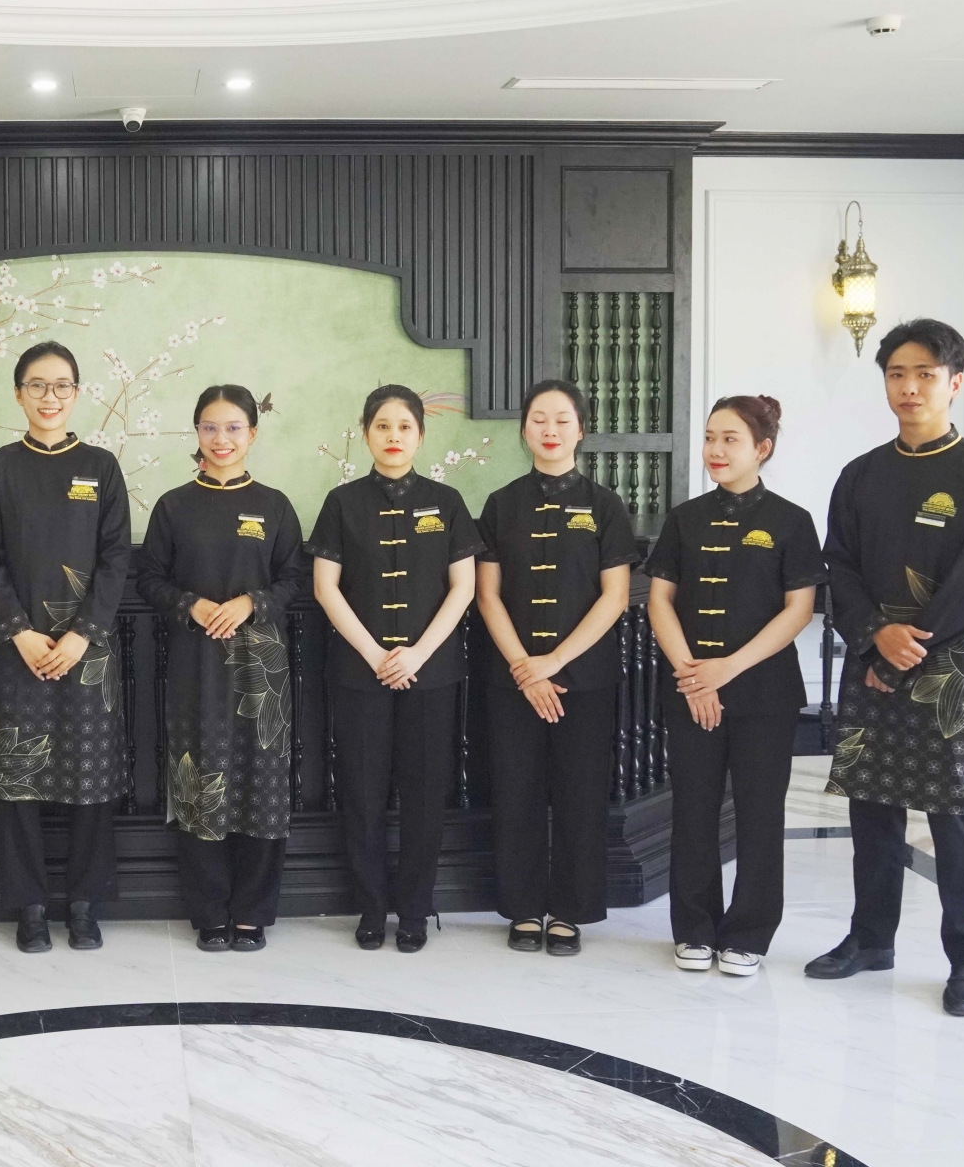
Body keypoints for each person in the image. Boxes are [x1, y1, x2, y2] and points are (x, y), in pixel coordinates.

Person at [807, 319, 964, 1017]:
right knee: (872, 807)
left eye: (926, 373)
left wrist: (906, 650)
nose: (910, 387)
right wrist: (875, 638)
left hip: (948, 666)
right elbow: (837, 566)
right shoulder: (861, 474)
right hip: (873, 654)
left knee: (955, 815)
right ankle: (871, 939)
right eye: (897, 373)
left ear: (955, 383)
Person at [646, 396, 822, 976]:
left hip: (766, 695)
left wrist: (726, 669)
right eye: (709, 438)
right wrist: (693, 675)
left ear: (762, 449)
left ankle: (749, 933)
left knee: (760, 814)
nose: (715, 450)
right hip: (690, 689)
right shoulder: (685, 518)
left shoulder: (792, 521)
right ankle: (693, 928)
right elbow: (660, 601)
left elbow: (798, 610)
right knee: (693, 810)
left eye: (730, 440)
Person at [309, 385, 481, 952]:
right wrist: (376, 654)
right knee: (361, 792)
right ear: (366, 434)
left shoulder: (447, 501)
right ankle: (369, 908)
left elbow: (463, 588)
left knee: (425, 793)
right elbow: (326, 588)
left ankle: (414, 909)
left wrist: (416, 654)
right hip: (359, 671)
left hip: (431, 672)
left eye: (405, 427)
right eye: (382, 426)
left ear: (420, 436)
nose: (393, 436)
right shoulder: (341, 503)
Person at [137, 385, 309, 952]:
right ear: (197, 433)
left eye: (234, 427)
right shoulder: (174, 505)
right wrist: (190, 604)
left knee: (263, 783)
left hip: (262, 668)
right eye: (210, 427)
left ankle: (252, 913)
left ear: (252, 434)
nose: (222, 439)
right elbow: (150, 579)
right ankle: (209, 913)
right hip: (196, 665)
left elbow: (294, 579)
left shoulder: (275, 506)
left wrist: (251, 603)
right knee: (200, 779)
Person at [0, 341, 130, 953]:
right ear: (18, 394)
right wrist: (20, 631)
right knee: (18, 779)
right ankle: (30, 907)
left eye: (62, 385)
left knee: (91, 778)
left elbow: (116, 559)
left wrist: (81, 634)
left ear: (77, 393)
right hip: (17, 646)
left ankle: (85, 905)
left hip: (88, 650)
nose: (49, 396)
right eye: (37, 385)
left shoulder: (101, 466)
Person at [476, 380, 635, 957]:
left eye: (562, 420)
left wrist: (555, 662)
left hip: (584, 678)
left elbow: (615, 597)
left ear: (581, 430)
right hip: (513, 679)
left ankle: (570, 910)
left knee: (580, 793)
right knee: (515, 790)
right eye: (539, 419)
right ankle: (522, 907)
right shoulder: (501, 505)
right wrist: (526, 668)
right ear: (524, 430)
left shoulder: (605, 506)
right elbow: (487, 595)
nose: (550, 430)